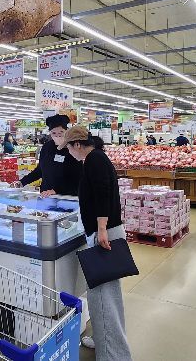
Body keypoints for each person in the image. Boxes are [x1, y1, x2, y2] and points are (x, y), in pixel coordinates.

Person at [59, 127, 132, 361]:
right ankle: (105, 341)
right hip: (105, 231)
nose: (68, 152)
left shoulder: (94, 160)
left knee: (102, 298)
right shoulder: (96, 158)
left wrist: (101, 229)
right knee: (105, 296)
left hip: (105, 233)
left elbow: (103, 194)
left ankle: (113, 355)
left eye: (68, 147)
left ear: (77, 144)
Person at [12, 114, 82, 197]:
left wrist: (57, 190)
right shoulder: (47, 147)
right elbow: (40, 170)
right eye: (54, 133)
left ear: (66, 131)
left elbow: (78, 178)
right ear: (50, 133)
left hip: (65, 197)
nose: (57, 135)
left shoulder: (73, 149)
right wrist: (22, 182)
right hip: (45, 195)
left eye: (61, 132)